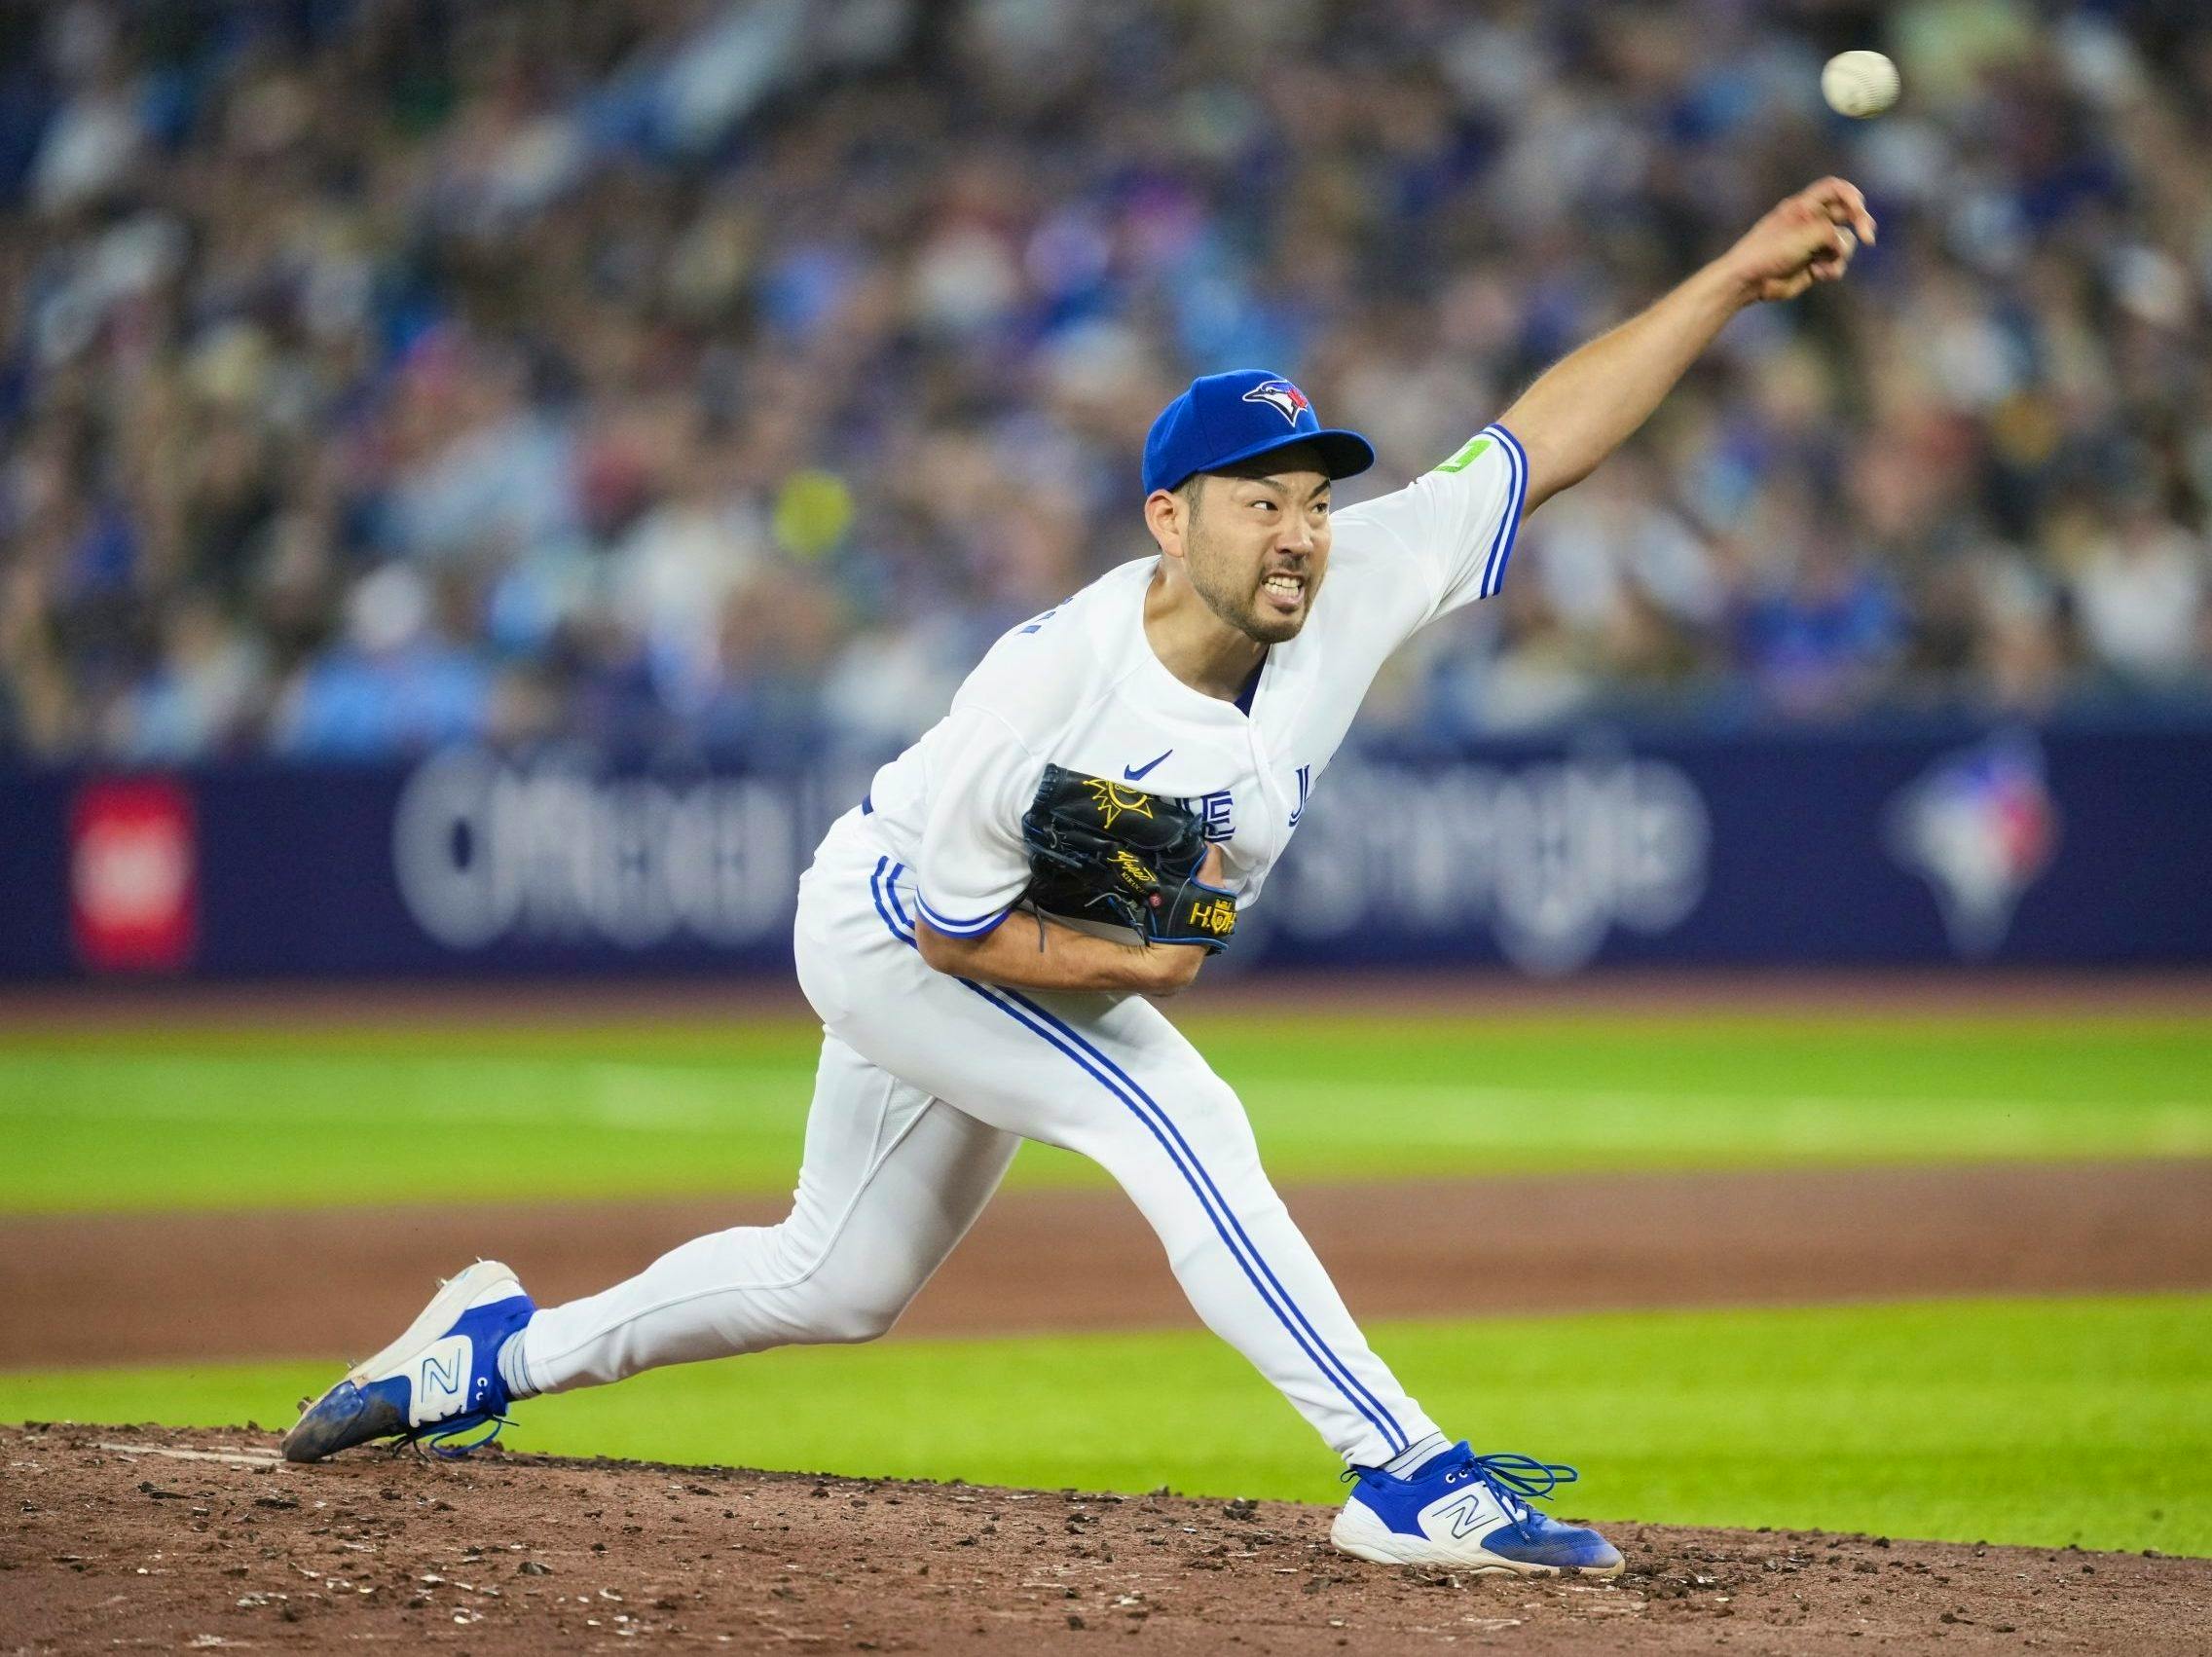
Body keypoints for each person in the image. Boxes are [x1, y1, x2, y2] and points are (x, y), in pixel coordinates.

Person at [284, 178, 1876, 1575]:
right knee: (1174, 1113)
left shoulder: (1354, 579)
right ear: (1168, 521)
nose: (1303, 533)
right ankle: (1404, 1468)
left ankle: (487, 1352)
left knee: (833, 1280)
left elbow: (1542, 440)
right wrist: (1132, 969)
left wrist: (1732, 277)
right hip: (900, 930)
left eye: (1315, 498)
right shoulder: (1044, 694)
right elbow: (950, 922)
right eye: (1265, 499)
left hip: (993, 939)